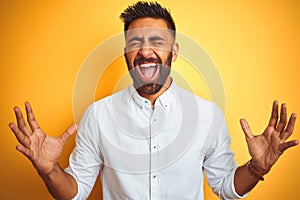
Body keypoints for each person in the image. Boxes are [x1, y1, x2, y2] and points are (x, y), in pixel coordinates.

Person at [9, 1, 298, 200]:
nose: (145, 51)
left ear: (174, 51)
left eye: (157, 42)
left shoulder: (206, 115)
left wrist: (258, 167)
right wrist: (49, 169)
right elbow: (75, 191)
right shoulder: (98, 116)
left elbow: (224, 187)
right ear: (126, 53)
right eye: (135, 42)